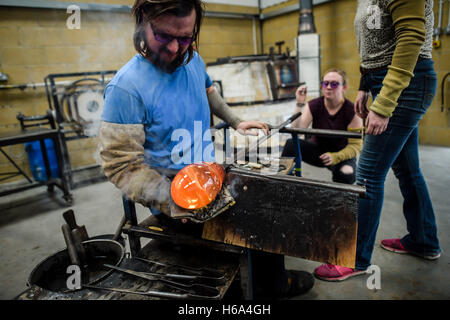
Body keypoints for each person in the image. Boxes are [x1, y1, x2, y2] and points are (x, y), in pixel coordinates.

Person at [99, 0, 314, 298]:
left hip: (212, 177)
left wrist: (236, 121)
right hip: (172, 198)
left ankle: (270, 283)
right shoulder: (125, 89)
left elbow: (207, 89)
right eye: (164, 36)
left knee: (269, 202)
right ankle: (267, 288)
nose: (176, 49)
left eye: (185, 38)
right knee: (260, 219)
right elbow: (120, 166)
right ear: (143, 20)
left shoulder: (192, 60)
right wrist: (171, 201)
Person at [314, 0, 441, 281]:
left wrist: (384, 104)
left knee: (368, 174)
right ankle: (424, 240)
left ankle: (355, 259)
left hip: (405, 82)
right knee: (407, 169)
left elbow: (410, 37)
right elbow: (373, 44)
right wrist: (364, 85)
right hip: (381, 80)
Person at [282, 69, 363, 184]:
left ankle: (339, 200)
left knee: (347, 174)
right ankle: (283, 186)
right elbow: (296, 131)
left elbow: (356, 146)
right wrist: (299, 104)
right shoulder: (314, 105)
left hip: (341, 152)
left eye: (334, 84)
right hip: (318, 150)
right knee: (291, 144)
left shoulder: (352, 111)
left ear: (344, 87)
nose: (329, 87)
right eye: (325, 83)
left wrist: (336, 157)